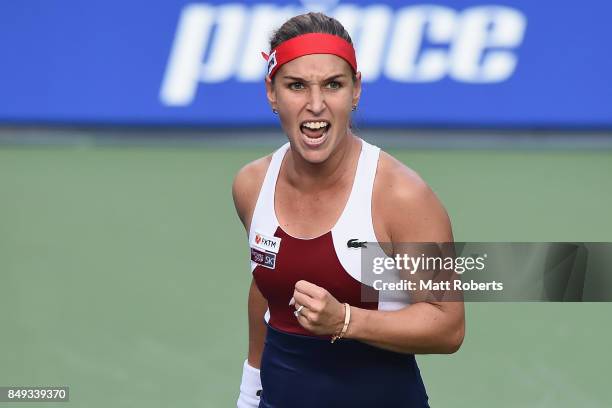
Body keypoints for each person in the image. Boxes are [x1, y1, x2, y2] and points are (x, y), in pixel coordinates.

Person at [233, 12, 464, 408]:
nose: (316, 105)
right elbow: (265, 288)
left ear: (356, 91)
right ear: (272, 92)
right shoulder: (252, 185)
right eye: (297, 86)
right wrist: (248, 394)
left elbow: (447, 325)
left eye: (333, 85)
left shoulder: (398, 197)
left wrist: (345, 320)